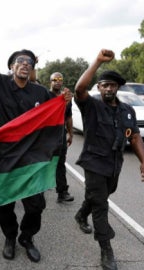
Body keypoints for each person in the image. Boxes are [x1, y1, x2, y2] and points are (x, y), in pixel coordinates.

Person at [0, 5, 72, 263]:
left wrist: (64, 99)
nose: (24, 65)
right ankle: (9, 236)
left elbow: (54, 115)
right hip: (5, 157)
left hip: (31, 161)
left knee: (36, 205)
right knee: (5, 202)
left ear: (32, 69)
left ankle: (26, 237)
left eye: (29, 62)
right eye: (19, 61)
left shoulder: (40, 93)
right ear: (12, 66)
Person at [74, 49, 144, 270]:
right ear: (99, 87)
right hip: (94, 163)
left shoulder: (127, 111)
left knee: (102, 195)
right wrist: (97, 61)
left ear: (118, 88)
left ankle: (80, 214)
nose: (108, 88)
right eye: (104, 85)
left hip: (114, 165)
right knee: (101, 205)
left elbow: (134, 136)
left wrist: (143, 160)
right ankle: (106, 251)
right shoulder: (92, 106)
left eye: (112, 85)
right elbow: (79, 89)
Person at [49, 72, 74, 203]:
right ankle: (36, 190)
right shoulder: (45, 96)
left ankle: (62, 192)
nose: (58, 81)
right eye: (55, 79)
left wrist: (70, 133)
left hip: (61, 135)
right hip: (46, 135)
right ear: (50, 82)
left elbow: (69, 117)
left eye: (60, 79)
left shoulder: (66, 98)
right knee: (43, 162)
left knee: (60, 164)